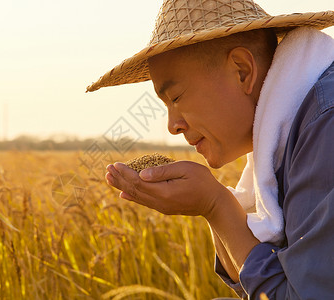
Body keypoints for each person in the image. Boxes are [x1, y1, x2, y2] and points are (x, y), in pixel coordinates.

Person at [86, 0, 334, 299]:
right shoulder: (295, 124)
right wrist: (213, 207)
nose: (172, 125)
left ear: (242, 71)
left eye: (176, 97)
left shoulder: (326, 126)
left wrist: (216, 206)